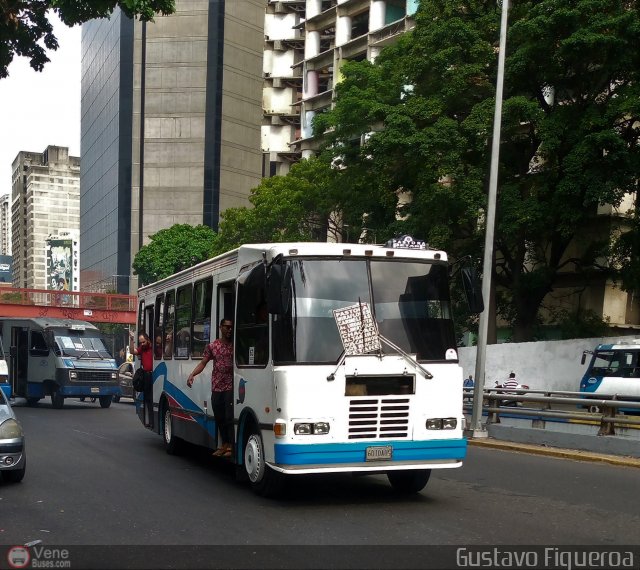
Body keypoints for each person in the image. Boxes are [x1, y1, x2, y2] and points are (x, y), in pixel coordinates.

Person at [187, 319, 234, 457]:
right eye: (226, 327)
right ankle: (224, 444)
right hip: (217, 386)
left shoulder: (235, 345)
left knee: (228, 416)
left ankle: (231, 445)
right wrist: (192, 374)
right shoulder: (213, 346)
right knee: (219, 417)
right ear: (220, 328)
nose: (229, 330)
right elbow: (203, 363)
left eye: (231, 327)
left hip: (230, 385)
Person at [131, 332, 154, 428]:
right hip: (146, 375)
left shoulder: (154, 348)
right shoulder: (142, 349)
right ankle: (150, 421)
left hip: (153, 374)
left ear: (148, 340)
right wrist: (132, 340)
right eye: (140, 343)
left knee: (151, 398)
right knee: (148, 398)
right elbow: (133, 351)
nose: (142, 344)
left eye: (143, 342)